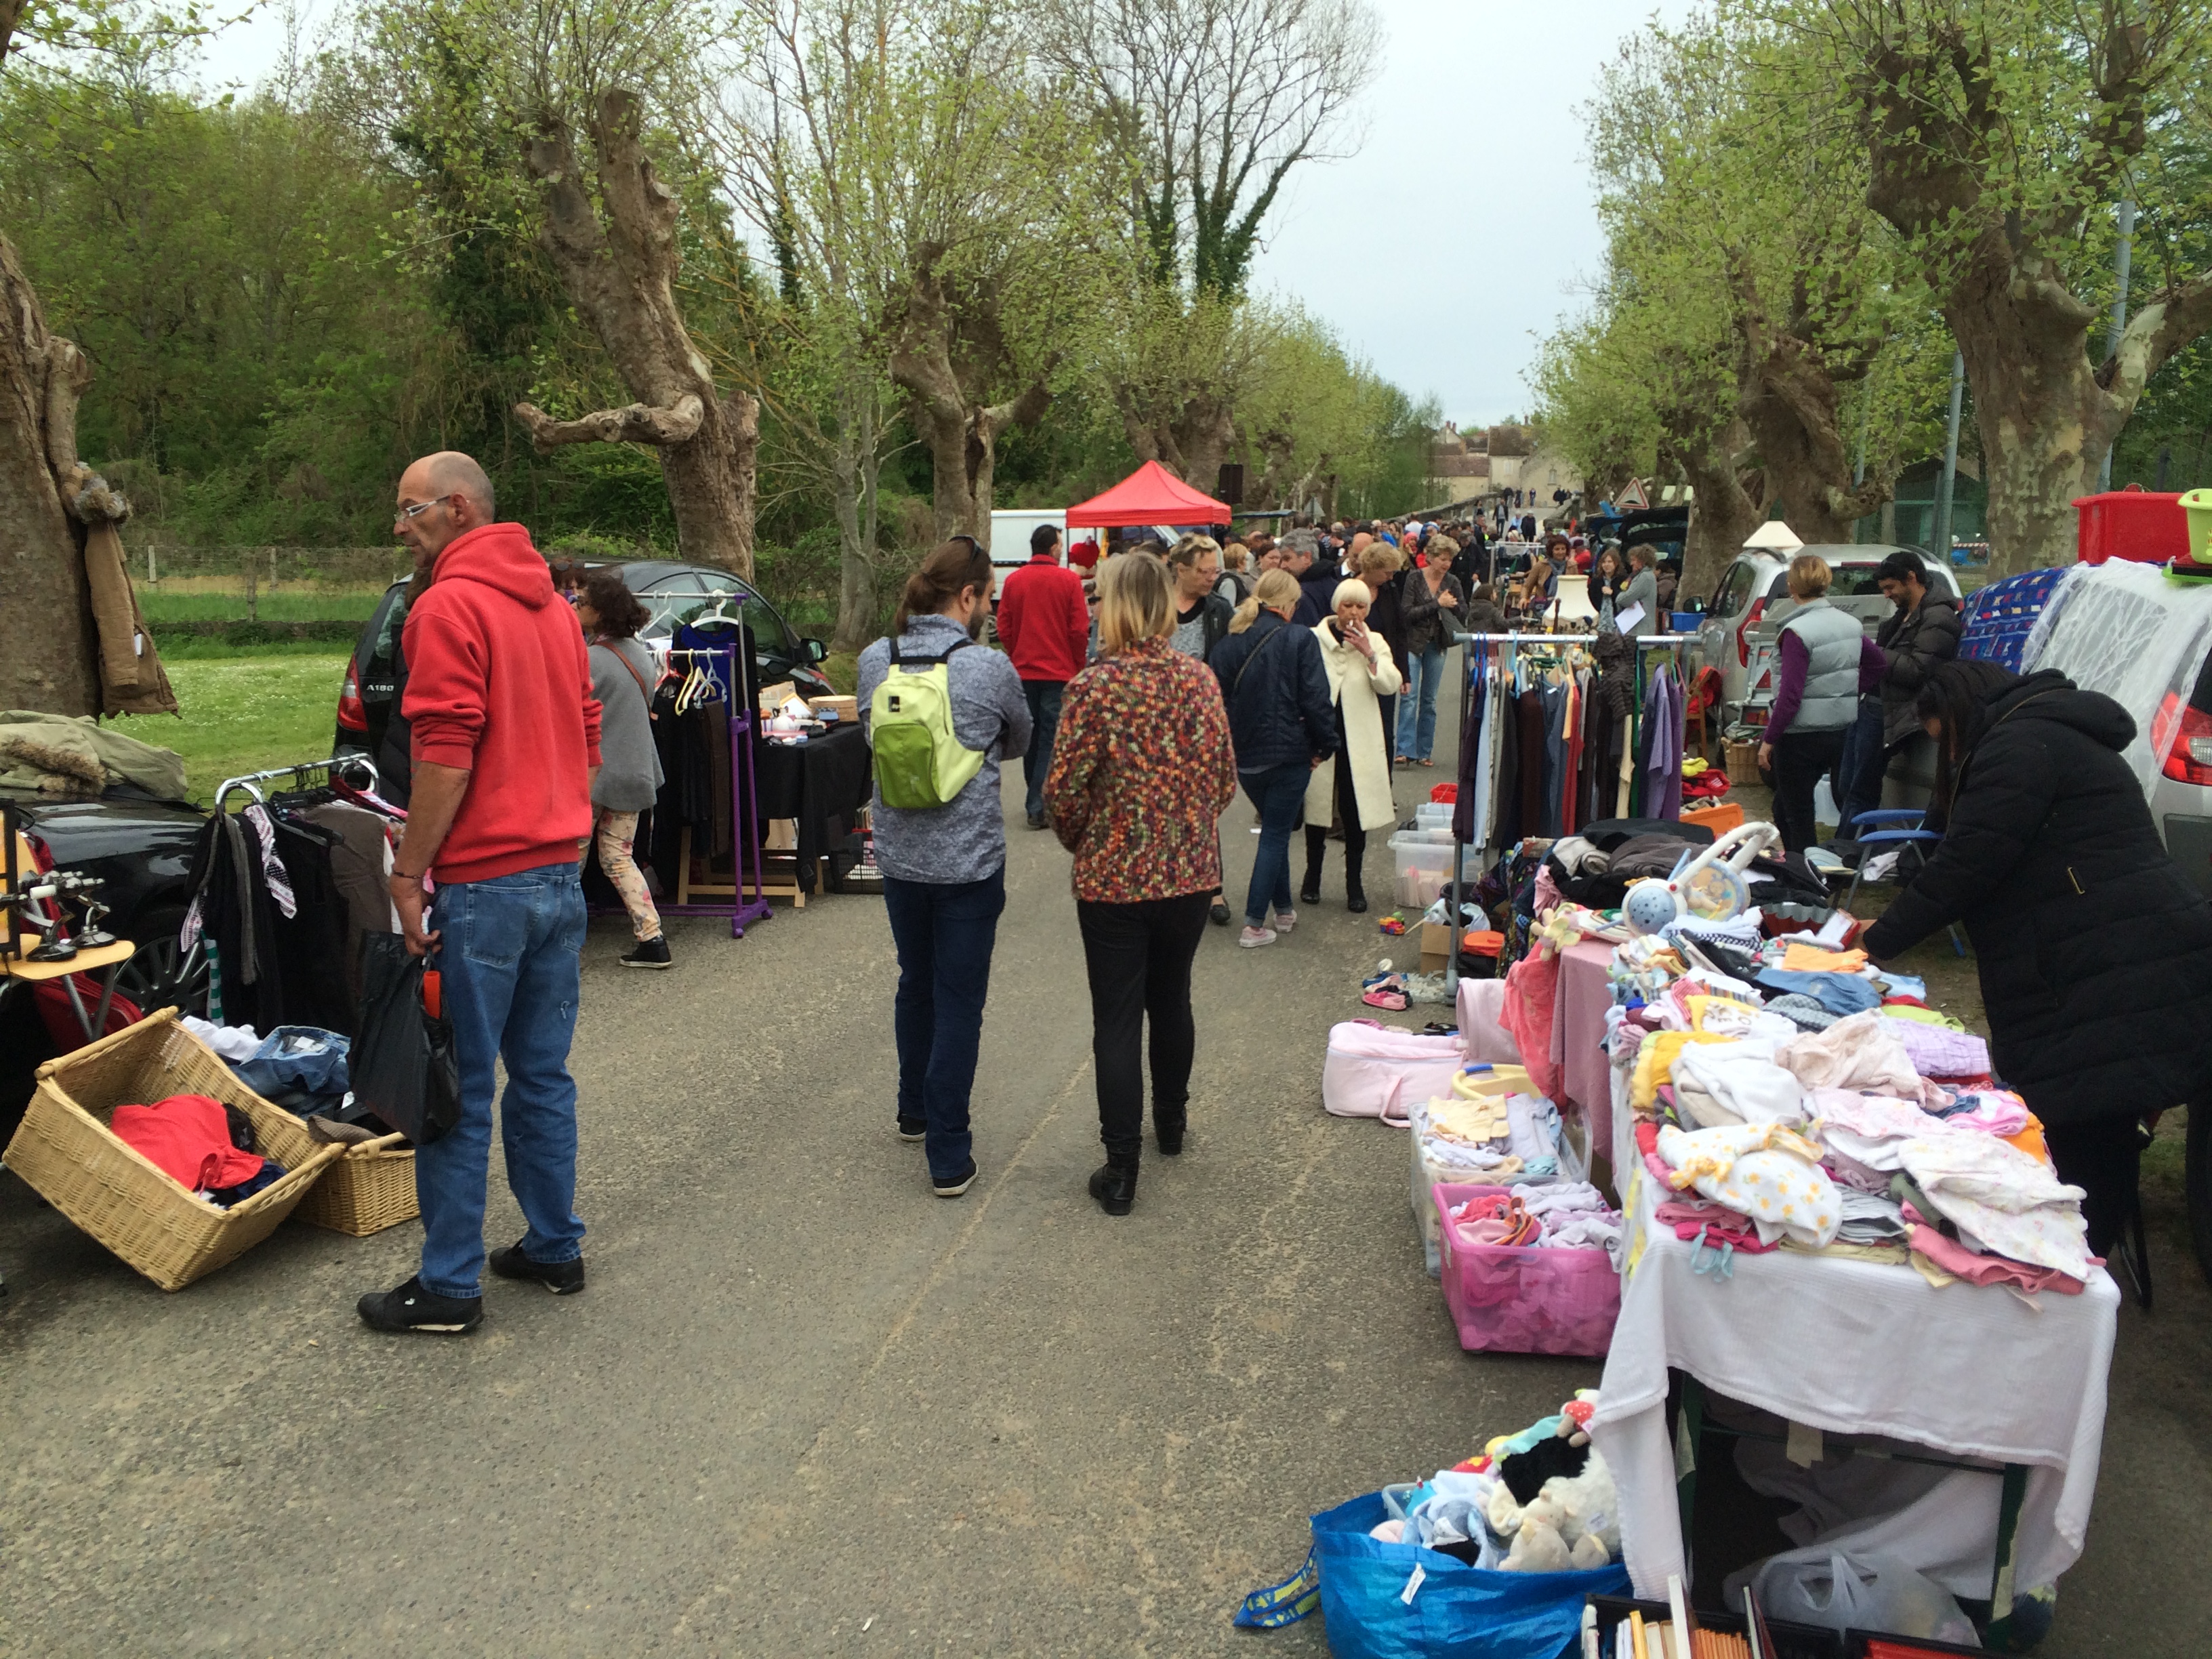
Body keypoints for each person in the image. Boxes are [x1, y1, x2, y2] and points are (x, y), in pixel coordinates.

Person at [359, 451, 602, 1336]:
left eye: (411, 508)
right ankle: (553, 1244)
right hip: (557, 877)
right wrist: (561, 819)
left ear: (458, 509)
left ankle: (451, 1286)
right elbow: (587, 731)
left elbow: (445, 754)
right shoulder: (556, 611)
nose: (402, 525)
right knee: (542, 1076)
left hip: (484, 885)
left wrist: (407, 869)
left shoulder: (446, 606)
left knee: (452, 1084)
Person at [1864, 660, 2212, 1255]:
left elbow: (1969, 863)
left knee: (2089, 1119)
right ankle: (2085, 1248)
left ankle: (2081, 1264)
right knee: (2094, 1116)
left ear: (1962, 712)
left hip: (2110, 961)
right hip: (2111, 950)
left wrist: (1874, 940)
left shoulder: (2017, 747)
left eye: (1944, 741)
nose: (1945, 760)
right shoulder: (2041, 735)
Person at [1044, 552, 1237, 1216]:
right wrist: (1182, 829)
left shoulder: (1094, 687)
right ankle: (1173, 1125)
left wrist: (1088, 841)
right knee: (1172, 998)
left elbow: (1061, 793)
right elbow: (1223, 783)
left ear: (1111, 605)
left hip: (1114, 880)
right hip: (1187, 874)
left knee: (1118, 1018)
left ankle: (1122, 1168)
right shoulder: (1200, 681)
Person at [856, 539, 1032, 1199]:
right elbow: (1017, 741)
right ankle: (948, 1155)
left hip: (900, 860)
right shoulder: (989, 669)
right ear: (968, 598)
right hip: (969, 866)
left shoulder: (878, 659)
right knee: (960, 1002)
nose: (988, 607)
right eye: (987, 596)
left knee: (916, 983)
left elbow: (875, 738)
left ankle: (914, 1109)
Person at [1210, 569, 1334, 947]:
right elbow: (1316, 698)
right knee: (1276, 833)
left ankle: (1283, 909)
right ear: (1289, 604)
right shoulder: (1300, 638)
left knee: (1273, 831)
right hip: (1289, 750)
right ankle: (1254, 924)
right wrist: (1324, 745)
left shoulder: (1229, 643)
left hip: (1244, 754)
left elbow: (1217, 701)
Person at [1757, 555, 1883, 853]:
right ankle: (1828, 860)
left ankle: (1805, 871)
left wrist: (1768, 740)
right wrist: (1849, 693)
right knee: (1793, 806)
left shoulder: (1796, 632)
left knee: (1797, 813)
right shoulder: (1851, 624)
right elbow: (1877, 664)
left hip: (1800, 733)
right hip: (1841, 728)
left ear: (1791, 586)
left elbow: (1790, 695)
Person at [575, 567, 668, 968]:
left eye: (581, 602)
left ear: (599, 613)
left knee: (570, 860)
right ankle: (652, 938)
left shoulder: (591, 659)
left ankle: (559, 942)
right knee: (618, 856)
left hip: (594, 775)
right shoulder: (640, 655)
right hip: (636, 770)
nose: (575, 607)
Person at [1839, 548, 1962, 834]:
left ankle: (1846, 851)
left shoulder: (1939, 617)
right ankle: (1851, 846)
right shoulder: (1905, 616)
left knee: (1860, 786)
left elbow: (1920, 669)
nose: (1887, 595)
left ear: (1911, 578)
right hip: (1875, 705)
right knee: (1848, 782)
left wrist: (1876, 654)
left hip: (1894, 710)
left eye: (1890, 588)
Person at [1303, 579, 1402, 912]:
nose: (1354, 613)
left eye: (1361, 607)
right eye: (1348, 605)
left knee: (1353, 810)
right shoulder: (1313, 639)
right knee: (1317, 809)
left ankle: (1354, 884)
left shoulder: (1374, 640)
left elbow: (1391, 684)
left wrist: (1370, 655)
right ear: (1337, 607)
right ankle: (1312, 877)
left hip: (1358, 739)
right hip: (1321, 734)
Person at [994, 521, 1088, 831]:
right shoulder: (1069, 581)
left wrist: (1017, 650)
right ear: (1053, 548)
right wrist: (1077, 664)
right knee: (1051, 738)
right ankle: (1038, 803)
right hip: (1058, 671)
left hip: (1023, 671)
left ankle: (1035, 794)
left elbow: (1004, 626)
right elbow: (1078, 629)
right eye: (1060, 545)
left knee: (1030, 737)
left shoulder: (1015, 581)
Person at [1166, 533, 1237, 924]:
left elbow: (1228, 662)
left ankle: (1213, 890)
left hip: (1203, 721)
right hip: (1157, 722)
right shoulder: (1155, 605)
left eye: (1215, 571)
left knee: (1202, 808)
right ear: (1181, 569)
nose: (1212, 578)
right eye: (1204, 571)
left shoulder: (1220, 610)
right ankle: (1169, 885)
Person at [1397, 535, 1464, 767]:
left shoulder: (1453, 582)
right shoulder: (1414, 578)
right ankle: (1404, 749)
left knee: (1430, 700)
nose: (1446, 564)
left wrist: (1453, 605)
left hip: (1438, 643)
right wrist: (1437, 604)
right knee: (1409, 697)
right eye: (1443, 559)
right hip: (1413, 643)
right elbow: (1405, 613)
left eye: (1450, 560)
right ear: (1431, 558)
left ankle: (1424, 751)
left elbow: (1463, 613)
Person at [1355, 541, 1410, 766]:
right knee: (1359, 730)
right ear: (1372, 568)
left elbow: (1399, 632)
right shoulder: (1350, 589)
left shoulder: (1390, 590)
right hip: (1356, 669)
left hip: (1384, 667)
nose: (1390, 577)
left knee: (1386, 732)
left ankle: (1386, 789)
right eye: (1387, 573)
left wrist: (1404, 674)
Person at [1617, 547, 1660, 636]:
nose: (1631, 563)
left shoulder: (1644, 577)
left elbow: (1623, 599)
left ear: (1642, 561)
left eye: (1634, 560)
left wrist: (1622, 596)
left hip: (1639, 632)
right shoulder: (1648, 576)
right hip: (1640, 631)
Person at [1587, 546, 1625, 617]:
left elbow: (1626, 597)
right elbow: (1592, 598)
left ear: (1616, 563)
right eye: (1604, 562)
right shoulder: (1596, 580)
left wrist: (1613, 592)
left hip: (1619, 617)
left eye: (1610, 562)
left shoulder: (1623, 579)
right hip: (1600, 617)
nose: (1606, 565)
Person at [1216, 539, 1256, 605]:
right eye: (1245, 559)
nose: (1246, 562)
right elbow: (1228, 610)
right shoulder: (1230, 582)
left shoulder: (1234, 579)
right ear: (1239, 562)